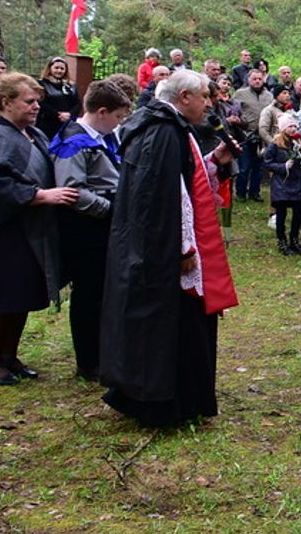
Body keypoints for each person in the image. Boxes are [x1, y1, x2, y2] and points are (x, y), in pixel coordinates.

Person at [100, 70, 238, 426]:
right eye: (205, 96)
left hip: (163, 245)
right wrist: (183, 248)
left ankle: (177, 396)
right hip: (163, 252)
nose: (209, 103)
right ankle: (165, 403)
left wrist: (214, 163)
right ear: (185, 97)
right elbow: (167, 199)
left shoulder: (169, 128)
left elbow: (184, 182)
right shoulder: (162, 132)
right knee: (168, 324)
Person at [0, 73, 78, 385]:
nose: (37, 106)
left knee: (21, 295)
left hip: (31, 232)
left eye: (38, 100)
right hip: (2, 233)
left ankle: (10, 356)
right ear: (7, 102)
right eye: (29, 101)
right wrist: (37, 196)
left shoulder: (32, 133)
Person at [49, 80, 131, 380]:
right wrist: (112, 208)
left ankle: (104, 352)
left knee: (104, 291)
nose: (120, 123)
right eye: (118, 117)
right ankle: (88, 360)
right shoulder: (74, 141)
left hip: (106, 225)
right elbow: (72, 191)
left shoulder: (103, 136)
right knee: (88, 294)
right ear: (101, 111)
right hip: (86, 229)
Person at [263, 113, 301, 255]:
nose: (294, 129)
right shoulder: (275, 145)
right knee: (281, 214)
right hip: (282, 184)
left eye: (295, 126)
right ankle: (282, 241)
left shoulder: (296, 143)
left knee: (297, 214)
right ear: (283, 128)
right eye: (290, 126)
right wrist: (282, 167)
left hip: (296, 183)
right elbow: (267, 163)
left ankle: (294, 240)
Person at [231, 69, 272, 201]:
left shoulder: (269, 95)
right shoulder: (240, 94)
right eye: (254, 78)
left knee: (258, 167)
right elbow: (234, 111)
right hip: (245, 135)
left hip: (262, 136)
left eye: (260, 78)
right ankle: (241, 193)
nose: (257, 81)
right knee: (244, 167)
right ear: (248, 80)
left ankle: (255, 192)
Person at [37, 57, 81, 140]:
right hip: (47, 123)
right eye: (56, 68)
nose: (59, 71)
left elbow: (77, 103)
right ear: (50, 68)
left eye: (62, 68)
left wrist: (69, 114)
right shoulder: (42, 84)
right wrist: (58, 114)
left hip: (67, 123)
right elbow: (41, 103)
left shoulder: (70, 85)